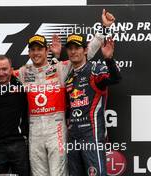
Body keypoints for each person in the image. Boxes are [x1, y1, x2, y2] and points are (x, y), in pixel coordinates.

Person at [13, 9, 115, 176]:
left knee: (58, 172)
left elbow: (86, 53)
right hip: (34, 129)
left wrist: (103, 29)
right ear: (29, 53)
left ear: (46, 51)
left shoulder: (60, 68)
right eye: (32, 49)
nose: (36, 53)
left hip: (57, 127)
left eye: (40, 49)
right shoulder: (24, 72)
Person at [64, 34, 121, 176]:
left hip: (92, 134)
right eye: (70, 48)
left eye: (77, 48)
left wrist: (108, 59)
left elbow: (115, 78)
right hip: (73, 136)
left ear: (85, 50)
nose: (73, 52)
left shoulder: (95, 70)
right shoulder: (69, 76)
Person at [0, 55, 29, 175]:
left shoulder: (22, 85)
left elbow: (43, 74)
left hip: (19, 144)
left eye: (4, 69)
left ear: (11, 70)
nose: (1, 73)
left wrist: (55, 57)